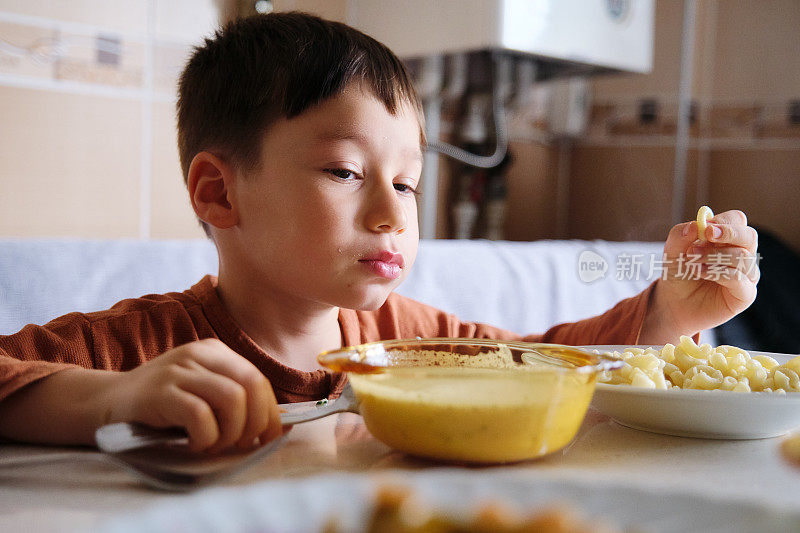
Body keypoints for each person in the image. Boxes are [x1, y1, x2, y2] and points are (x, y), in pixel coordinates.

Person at [0, 12, 759, 454]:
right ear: (218, 191)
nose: (393, 213)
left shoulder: (412, 341)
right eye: (343, 171)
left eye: (407, 182)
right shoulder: (137, 348)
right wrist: (110, 400)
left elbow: (547, 364)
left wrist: (668, 313)